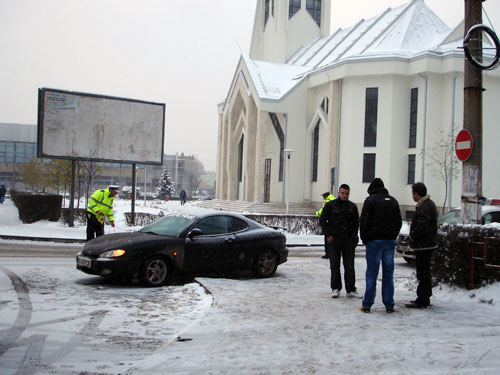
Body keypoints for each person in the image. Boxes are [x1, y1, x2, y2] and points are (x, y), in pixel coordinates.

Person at [359, 178, 402, 313]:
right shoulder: (393, 201)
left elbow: (364, 222)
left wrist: (365, 239)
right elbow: (398, 222)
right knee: (388, 273)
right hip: (389, 241)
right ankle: (389, 304)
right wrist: (392, 236)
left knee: (372, 273)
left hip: (374, 241)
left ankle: (367, 304)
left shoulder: (370, 201)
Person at [320, 184, 360, 298]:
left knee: (349, 266)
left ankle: (351, 289)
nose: (344, 195)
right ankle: (335, 288)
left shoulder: (352, 206)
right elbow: (323, 220)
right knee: (334, 265)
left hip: (348, 241)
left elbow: (356, 223)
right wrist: (328, 234)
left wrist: (353, 237)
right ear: (338, 193)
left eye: (346, 193)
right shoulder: (331, 205)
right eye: (342, 193)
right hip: (334, 240)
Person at [405, 182, 438, 309]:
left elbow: (422, 226)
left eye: (413, 193)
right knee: (424, 272)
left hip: (424, 245)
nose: (412, 196)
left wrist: (413, 235)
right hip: (427, 244)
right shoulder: (428, 204)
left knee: (423, 272)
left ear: (416, 193)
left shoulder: (425, 206)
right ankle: (424, 296)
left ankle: (422, 298)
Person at [316, 191, 335, 259]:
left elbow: (323, 210)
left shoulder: (328, 201)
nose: (323, 198)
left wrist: (317, 213)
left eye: (323, 196)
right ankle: (332, 253)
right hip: (332, 222)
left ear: (326, 196)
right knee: (331, 239)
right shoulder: (333, 199)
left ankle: (328, 254)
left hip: (327, 222)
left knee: (327, 239)